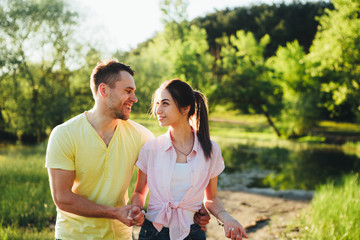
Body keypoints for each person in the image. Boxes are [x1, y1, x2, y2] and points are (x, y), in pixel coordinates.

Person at [45, 60, 209, 240]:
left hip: (120, 236)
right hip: (73, 236)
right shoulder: (64, 134)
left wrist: (194, 208)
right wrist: (115, 212)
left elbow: (168, 176)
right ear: (104, 90)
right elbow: (62, 198)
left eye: (134, 92)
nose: (135, 98)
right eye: (127, 91)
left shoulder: (141, 136)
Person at [131, 79, 248, 240]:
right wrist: (136, 208)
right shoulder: (151, 148)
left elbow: (211, 198)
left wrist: (227, 218)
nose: (158, 109)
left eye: (165, 103)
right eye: (157, 103)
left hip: (193, 233)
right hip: (153, 232)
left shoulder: (211, 150)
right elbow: (139, 192)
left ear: (185, 108)